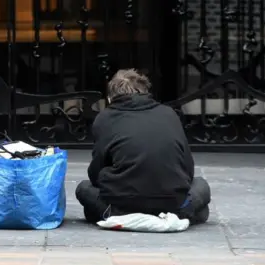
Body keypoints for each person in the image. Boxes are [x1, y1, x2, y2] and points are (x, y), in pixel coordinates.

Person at [75, 69, 211, 224]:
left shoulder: (104, 118)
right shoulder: (169, 113)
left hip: (122, 205)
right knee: (201, 185)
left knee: (84, 188)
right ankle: (181, 214)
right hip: (172, 204)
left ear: (110, 97)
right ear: (146, 92)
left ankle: (116, 214)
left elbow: (96, 172)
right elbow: (188, 168)